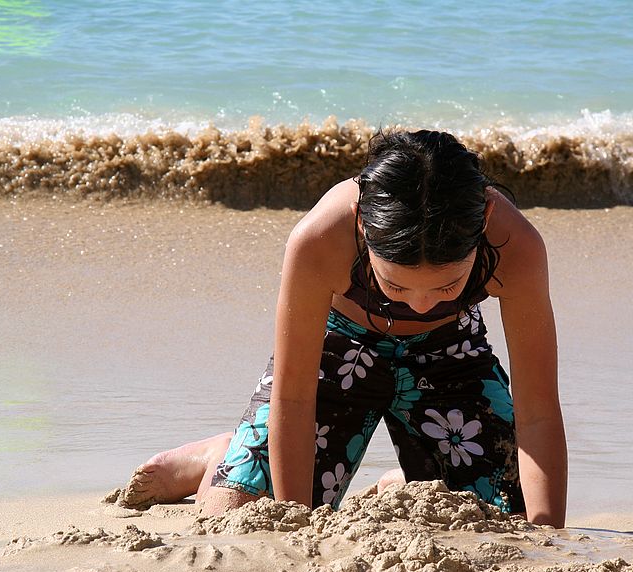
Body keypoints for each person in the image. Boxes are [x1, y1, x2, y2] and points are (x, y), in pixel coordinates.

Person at [119, 129, 568, 528]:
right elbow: (294, 397)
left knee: (507, 522)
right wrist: (295, 528)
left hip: (450, 355)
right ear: (360, 225)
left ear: (485, 220)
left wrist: (549, 538)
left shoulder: (516, 245)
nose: (420, 303)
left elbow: (539, 411)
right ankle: (218, 455)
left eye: (449, 284)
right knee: (238, 516)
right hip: (340, 349)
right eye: (394, 283)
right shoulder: (320, 238)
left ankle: (411, 486)